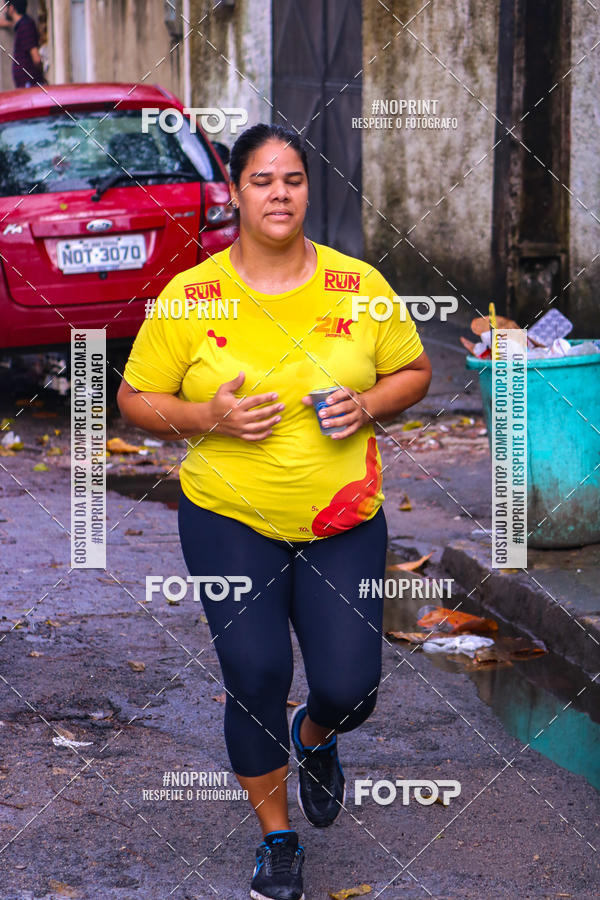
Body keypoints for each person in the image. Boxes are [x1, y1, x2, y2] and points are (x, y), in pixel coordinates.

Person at [117, 123, 432, 900]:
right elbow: (130, 398)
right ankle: (278, 839)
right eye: (262, 180)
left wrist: (366, 403)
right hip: (229, 517)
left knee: (352, 686)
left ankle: (313, 735)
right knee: (255, 673)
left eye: (292, 179)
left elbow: (416, 371)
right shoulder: (193, 297)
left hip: (342, 518)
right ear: (235, 193)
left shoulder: (357, 285)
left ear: (307, 189)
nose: (280, 193)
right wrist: (206, 418)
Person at [0, 0, 46, 88]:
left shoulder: (26, 25)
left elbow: (36, 58)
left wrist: (39, 77)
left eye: (6, 7)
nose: (4, 10)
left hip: (30, 85)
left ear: (12, 8)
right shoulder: (22, 24)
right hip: (25, 85)